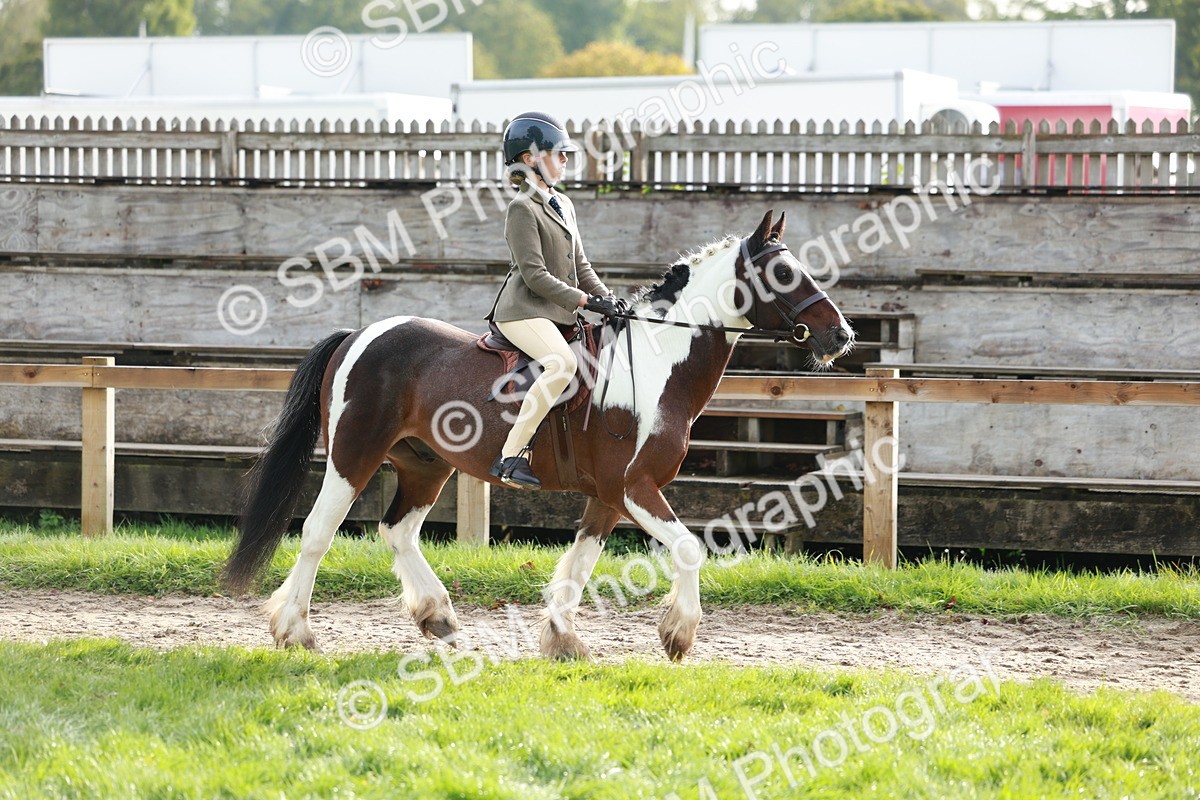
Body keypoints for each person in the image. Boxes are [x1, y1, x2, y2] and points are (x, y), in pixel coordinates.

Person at [485, 111, 621, 489]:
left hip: (555, 311)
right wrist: (583, 301)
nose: (564, 161)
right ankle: (512, 457)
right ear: (530, 159)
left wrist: (608, 300)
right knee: (560, 363)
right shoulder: (521, 208)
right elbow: (534, 275)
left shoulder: (564, 204)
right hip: (523, 311)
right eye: (557, 154)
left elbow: (581, 265)